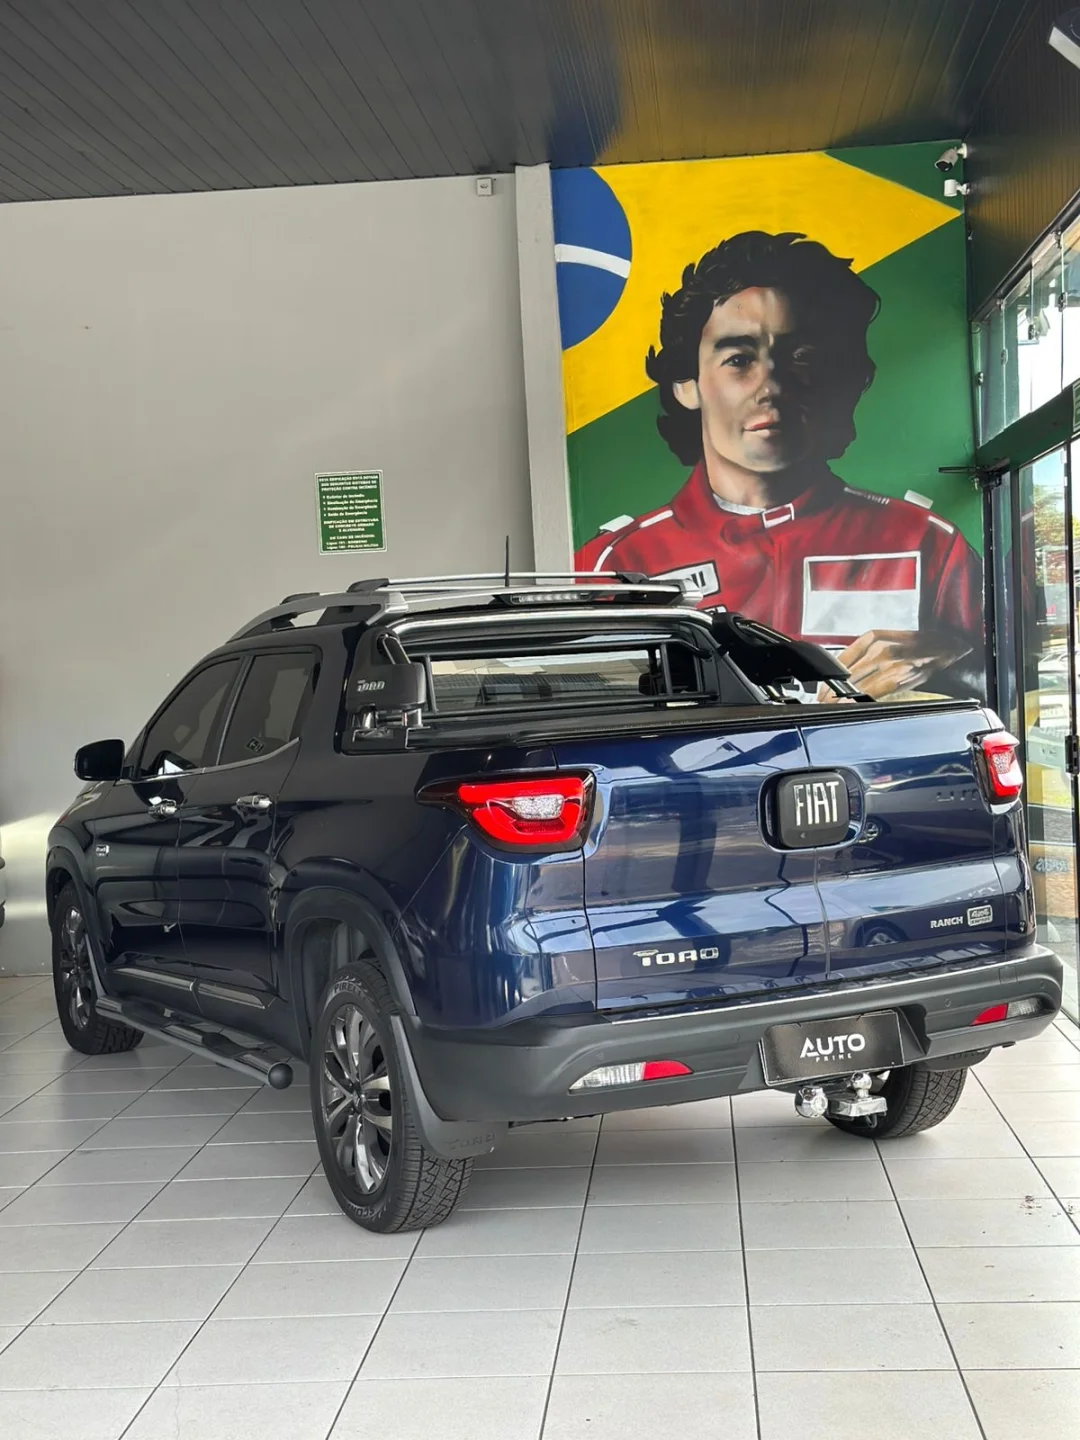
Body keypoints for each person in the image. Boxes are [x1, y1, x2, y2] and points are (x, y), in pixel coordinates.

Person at [574, 231, 982, 700]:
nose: (771, 387)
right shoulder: (614, 562)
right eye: (738, 359)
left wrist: (954, 658)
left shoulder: (928, 543)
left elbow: (1020, 683)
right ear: (687, 385)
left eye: (801, 357)